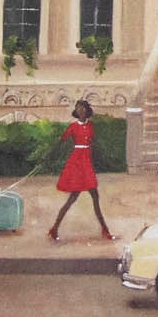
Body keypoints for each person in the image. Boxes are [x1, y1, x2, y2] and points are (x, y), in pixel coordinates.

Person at [49, 99, 114, 242]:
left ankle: (105, 229)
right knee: (72, 198)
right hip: (77, 164)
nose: (80, 110)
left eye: (83, 108)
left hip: (87, 163)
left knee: (95, 197)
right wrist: (52, 156)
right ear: (76, 111)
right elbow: (62, 141)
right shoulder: (72, 126)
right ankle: (54, 228)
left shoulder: (91, 126)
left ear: (87, 110)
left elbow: (93, 143)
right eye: (78, 108)